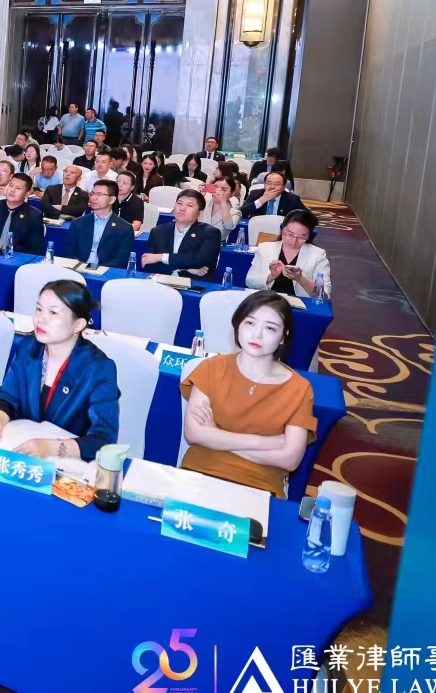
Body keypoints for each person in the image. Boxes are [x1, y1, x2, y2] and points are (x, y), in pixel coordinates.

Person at [180, 291, 316, 497]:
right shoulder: (212, 368)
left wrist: (215, 434)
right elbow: (194, 433)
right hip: (199, 474)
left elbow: (290, 459)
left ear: (283, 337)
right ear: (238, 326)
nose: (257, 335)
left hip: (260, 486)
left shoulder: (299, 388)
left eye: (270, 328)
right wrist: (266, 443)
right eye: (250, 323)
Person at [0, 280, 121, 460]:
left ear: (78, 325)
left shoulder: (99, 369)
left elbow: (104, 439)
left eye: (53, 312)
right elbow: (7, 399)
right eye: (39, 309)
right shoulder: (28, 349)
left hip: (69, 466)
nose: (40, 319)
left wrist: (51, 447)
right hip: (21, 453)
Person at [245, 209, 330, 298]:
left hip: (300, 304)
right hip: (268, 301)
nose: (294, 241)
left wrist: (300, 279)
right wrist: (271, 276)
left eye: (301, 237)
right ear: (282, 230)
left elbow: (324, 295)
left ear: (309, 236)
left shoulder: (318, 254)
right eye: (290, 235)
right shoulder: (265, 248)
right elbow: (249, 281)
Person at [140, 188, 222, 279]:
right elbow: (147, 263)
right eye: (179, 203)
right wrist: (186, 269)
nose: (182, 208)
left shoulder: (210, 233)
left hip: (193, 283)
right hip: (161, 282)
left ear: (199, 212)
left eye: (189, 205)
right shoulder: (158, 231)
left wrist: (160, 257)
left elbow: (198, 260)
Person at [61, 180, 135, 268]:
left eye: (99, 194)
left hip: (106, 271)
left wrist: (97, 269)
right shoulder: (78, 223)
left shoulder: (124, 228)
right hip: (78, 269)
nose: (93, 198)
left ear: (112, 200)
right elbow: (69, 253)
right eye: (92, 193)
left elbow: (121, 260)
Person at [0, 172, 44, 252]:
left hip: (15, 257)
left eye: (18, 188)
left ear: (26, 194)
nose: (12, 190)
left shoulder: (34, 216)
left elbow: (35, 249)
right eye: (11, 185)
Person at [240, 171, 304, 220]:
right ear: (264, 184)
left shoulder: (292, 199)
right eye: (269, 183)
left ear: (284, 187)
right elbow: (241, 213)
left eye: (277, 184)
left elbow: (307, 217)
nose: (272, 187)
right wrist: (262, 200)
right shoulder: (255, 194)